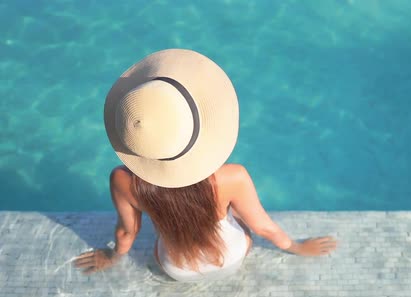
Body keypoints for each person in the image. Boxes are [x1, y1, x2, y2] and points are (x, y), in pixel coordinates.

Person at [73, 49, 338, 282]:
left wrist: (112, 256)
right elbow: (263, 228)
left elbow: (127, 232)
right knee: (242, 227)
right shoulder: (232, 177)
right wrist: (298, 248)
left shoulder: (122, 180)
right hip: (230, 258)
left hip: (174, 268)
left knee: (165, 235)